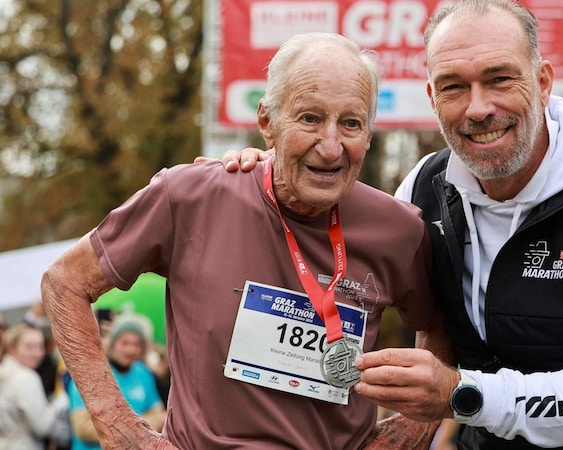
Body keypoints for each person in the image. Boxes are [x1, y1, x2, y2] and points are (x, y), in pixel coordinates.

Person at [223, 1, 563, 448]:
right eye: (455, 86)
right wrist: (257, 178)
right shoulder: (420, 190)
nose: (479, 109)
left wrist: (465, 394)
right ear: (433, 97)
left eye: (500, 79)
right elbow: (319, 243)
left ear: (542, 83)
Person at [41, 32, 442, 449]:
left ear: (369, 135)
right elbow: (65, 282)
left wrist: (414, 426)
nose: (330, 146)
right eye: (309, 118)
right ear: (268, 122)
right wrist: (118, 427)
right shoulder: (190, 196)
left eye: (351, 123)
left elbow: (442, 327)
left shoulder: (399, 230)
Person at [68, 312, 165, 450]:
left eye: (136, 344)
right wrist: (138, 427)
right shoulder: (90, 373)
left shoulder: (143, 372)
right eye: (124, 343)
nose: (131, 350)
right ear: (112, 344)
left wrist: (117, 427)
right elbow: (82, 428)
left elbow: (159, 415)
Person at [0, 323, 62, 450]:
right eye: (29, 347)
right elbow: (43, 427)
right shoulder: (26, 378)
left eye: (40, 346)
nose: (37, 353)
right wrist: (58, 403)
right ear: (12, 349)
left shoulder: (4, 371)